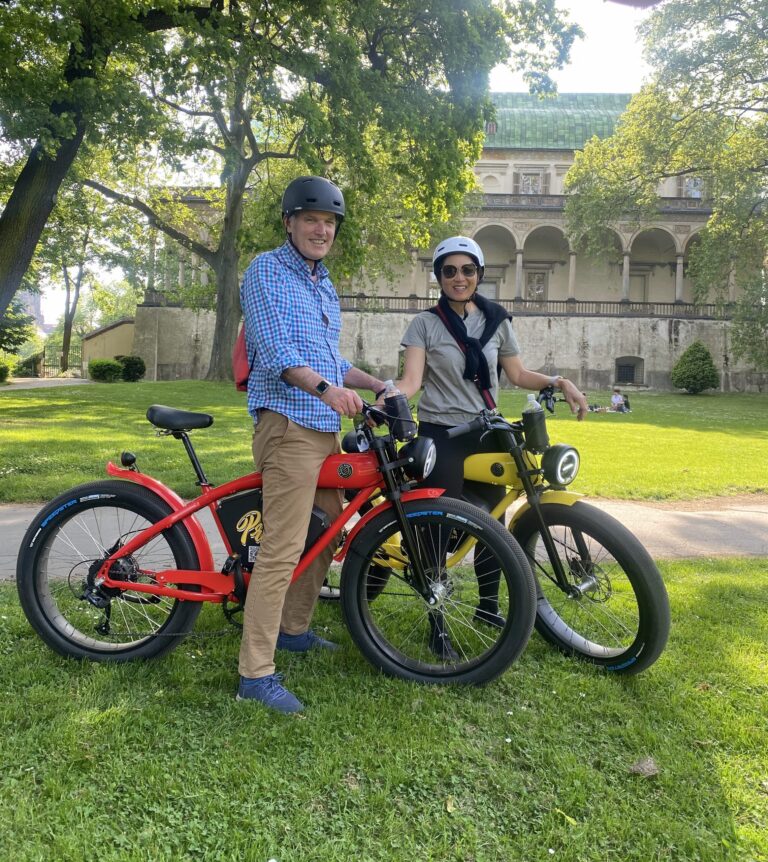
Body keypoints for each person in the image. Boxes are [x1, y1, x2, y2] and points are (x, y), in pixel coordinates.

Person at [387, 236, 588, 657]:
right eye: (450, 271)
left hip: (489, 431)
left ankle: (488, 607)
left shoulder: (497, 320)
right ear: (439, 276)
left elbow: (516, 374)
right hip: (442, 434)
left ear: (478, 274)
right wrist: (384, 401)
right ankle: (437, 617)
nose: (459, 278)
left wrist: (558, 381)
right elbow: (412, 382)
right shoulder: (424, 324)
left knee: (494, 522)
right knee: (436, 527)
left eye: (467, 270)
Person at [237, 176, 387, 714]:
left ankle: (293, 630)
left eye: (329, 223)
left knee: (324, 536)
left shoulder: (324, 285)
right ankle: (255, 674)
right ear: (290, 223)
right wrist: (329, 391)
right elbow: (276, 351)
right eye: (311, 220)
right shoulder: (265, 272)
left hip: (325, 432)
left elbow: (331, 361)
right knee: (281, 549)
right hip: (288, 427)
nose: (322, 229)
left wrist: (372, 384)